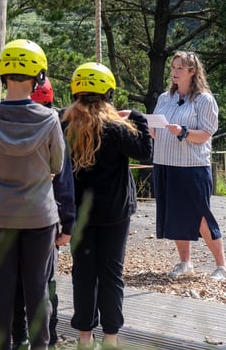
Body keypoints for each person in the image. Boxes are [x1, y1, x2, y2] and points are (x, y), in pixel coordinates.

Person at [0, 39, 66, 350]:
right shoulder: (49, 118)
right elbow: (57, 163)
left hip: (1, 212)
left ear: (3, 72)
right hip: (39, 214)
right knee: (37, 287)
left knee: (2, 288)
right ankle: (40, 346)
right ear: (39, 76)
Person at [62, 62, 152, 349]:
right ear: (108, 93)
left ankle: (84, 338)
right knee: (112, 274)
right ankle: (111, 338)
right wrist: (137, 116)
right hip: (114, 212)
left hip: (79, 212)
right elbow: (144, 152)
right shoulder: (117, 127)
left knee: (83, 272)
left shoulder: (64, 125)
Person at [151, 51, 226, 282]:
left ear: (192, 71)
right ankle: (185, 262)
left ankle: (222, 266)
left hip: (191, 166)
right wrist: (149, 126)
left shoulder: (204, 100)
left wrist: (184, 132)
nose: (175, 72)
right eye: (173, 68)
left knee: (200, 216)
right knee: (175, 215)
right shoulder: (164, 98)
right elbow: (157, 131)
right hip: (165, 163)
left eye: (180, 68)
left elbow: (205, 134)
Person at [11, 77, 75, 350]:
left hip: (9, 215)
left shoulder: (5, 126)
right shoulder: (53, 131)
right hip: (43, 217)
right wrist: (69, 222)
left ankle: (19, 338)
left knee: (14, 282)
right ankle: (48, 334)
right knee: (46, 279)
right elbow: (63, 182)